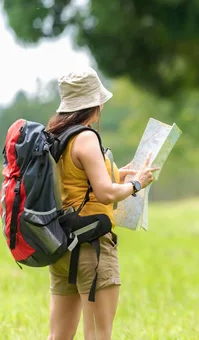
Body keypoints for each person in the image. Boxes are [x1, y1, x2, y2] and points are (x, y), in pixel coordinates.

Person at [45, 68, 158, 340]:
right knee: (98, 334)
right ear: (94, 104)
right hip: (91, 248)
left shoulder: (57, 137)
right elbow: (105, 193)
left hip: (63, 247)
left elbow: (77, 185)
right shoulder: (85, 137)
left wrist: (123, 173)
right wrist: (137, 184)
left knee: (58, 336)